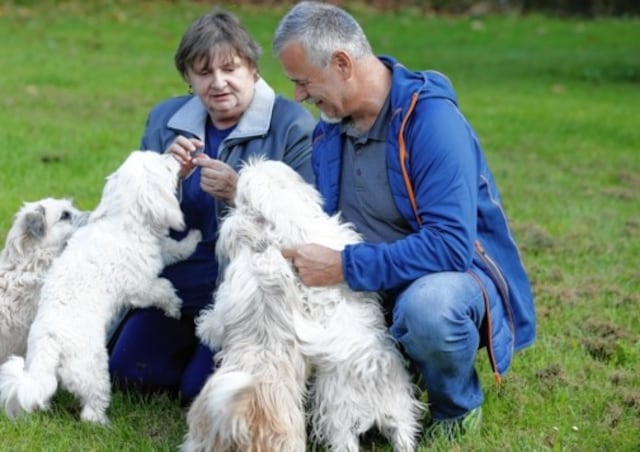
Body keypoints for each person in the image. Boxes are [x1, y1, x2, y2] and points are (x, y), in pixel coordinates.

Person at [273, 1, 535, 441]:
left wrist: (344, 266)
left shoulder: (431, 121)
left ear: (341, 64)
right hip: (370, 286)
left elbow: (450, 246)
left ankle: (455, 406)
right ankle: (393, 375)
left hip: (449, 277)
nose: (299, 96)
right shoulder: (328, 129)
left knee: (428, 311)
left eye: (303, 82)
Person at [108, 9, 315, 404]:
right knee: (129, 374)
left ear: (253, 69)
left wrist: (240, 191)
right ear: (188, 77)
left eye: (230, 69)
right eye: (203, 72)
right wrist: (164, 175)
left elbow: (304, 223)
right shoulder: (164, 120)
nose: (218, 83)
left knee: (200, 394)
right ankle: (187, 353)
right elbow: (130, 214)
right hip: (176, 289)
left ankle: (209, 366)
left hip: (242, 296)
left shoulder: (292, 125)